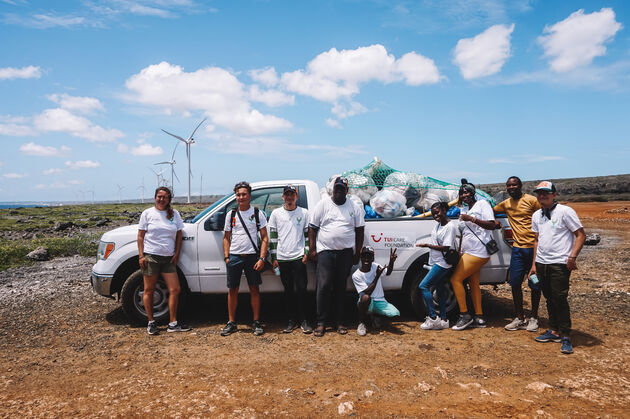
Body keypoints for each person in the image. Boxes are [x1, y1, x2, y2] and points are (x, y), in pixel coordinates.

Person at [529, 181, 585, 354]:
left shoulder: (564, 212)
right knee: (549, 297)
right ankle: (553, 330)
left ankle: (566, 335)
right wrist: (533, 264)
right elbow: (536, 239)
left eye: (546, 193)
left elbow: (580, 235)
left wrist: (572, 256)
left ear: (554, 195)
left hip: (560, 263)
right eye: (539, 193)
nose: (542, 196)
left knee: (559, 298)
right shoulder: (537, 215)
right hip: (542, 262)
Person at [308, 177, 365, 337]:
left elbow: (360, 230)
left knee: (340, 287)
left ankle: (339, 321)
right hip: (325, 252)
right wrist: (312, 249)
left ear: (347, 191)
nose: (338, 192)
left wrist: (357, 252)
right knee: (324, 286)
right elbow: (312, 227)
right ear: (333, 190)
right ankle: (321, 322)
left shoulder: (354, 207)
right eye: (336, 189)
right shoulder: (323, 204)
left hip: (346, 253)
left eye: (342, 189)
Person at [137, 186, 191, 335]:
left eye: (165, 197)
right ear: (155, 197)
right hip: (151, 256)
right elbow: (140, 235)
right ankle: (151, 322)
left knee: (175, 289)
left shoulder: (174, 214)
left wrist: (177, 253)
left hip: (168, 258)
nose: (161, 199)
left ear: (169, 199)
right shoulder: (147, 214)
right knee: (149, 290)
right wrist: (141, 256)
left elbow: (179, 235)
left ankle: (173, 323)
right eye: (159, 196)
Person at [493, 176, 542, 332]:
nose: (511, 187)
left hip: (534, 249)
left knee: (534, 283)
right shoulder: (506, 204)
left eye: (514, 185)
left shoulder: (532, 200)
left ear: (520, 186)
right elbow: (490, 210)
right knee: (514, 283)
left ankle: (534, 317)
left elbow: (545, 215)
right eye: (508, 185)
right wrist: (494, 219)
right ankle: (520, 318)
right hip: (518, 249)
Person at [221, 181, 269, 337]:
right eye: (238, 195)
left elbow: (265, 238)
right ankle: (231, 322)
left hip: (252, 257)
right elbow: (226, 237)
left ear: (249, 196)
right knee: (232, 290)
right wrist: (227, 257)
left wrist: (262, 258)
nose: (241, 197)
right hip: (234, 257)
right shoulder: (231, 214)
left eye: (244, 194)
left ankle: (256, 322)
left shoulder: (257, 213)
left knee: (254, 289)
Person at [450, 181, 498, 331]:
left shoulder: (482, 204)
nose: (464, 195)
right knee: (473, 283)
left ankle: (464, 315)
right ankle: (479, 316)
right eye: (462, 193)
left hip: (479, 251)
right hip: (467, 251)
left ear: (473, 192)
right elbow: (464, 233)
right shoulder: (464, 208)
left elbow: (492, 225)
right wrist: (460, 251)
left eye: (467, 192)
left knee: (455, 279)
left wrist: (472, 219)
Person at [268, 185, 313, 334]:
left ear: (296, 196)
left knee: (301, 290)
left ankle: (304, 320)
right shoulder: (276, 213)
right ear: (283, 197)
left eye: (292, 194)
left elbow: (307, 234)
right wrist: (274, 257)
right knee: (288, 290)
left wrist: (306, 251)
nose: (289, 197)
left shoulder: (304, 213)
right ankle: (291, 320)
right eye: (287, 194)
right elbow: (273, 237)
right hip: (282, 258)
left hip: (299, 257)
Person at [416, 201, 458, 330]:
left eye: (438, 212)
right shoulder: (439, 225)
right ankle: (444, 319)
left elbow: (446, 247)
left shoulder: (450, 227)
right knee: (440, 290)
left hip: (443, 263)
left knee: (423, 286)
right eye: (433, 214)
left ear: (445, 210)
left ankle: (433, 317)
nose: (435, 216)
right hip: (435, 261)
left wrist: (427, 245)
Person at [352, 247, 399, 336]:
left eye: (369, 257)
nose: (366, 259)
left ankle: (374, 316)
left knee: (395, 314)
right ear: (361, 258)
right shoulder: (356, 275)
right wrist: (377, 276)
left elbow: (388, 272)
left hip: (380, 301)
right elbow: (368, 292)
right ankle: (362, 323)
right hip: (367, 302)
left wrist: (391, 261)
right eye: (364, 256)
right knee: (366, 298)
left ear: (372, 258)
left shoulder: (375, 266)